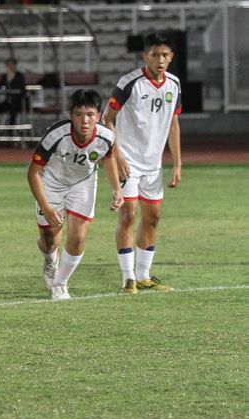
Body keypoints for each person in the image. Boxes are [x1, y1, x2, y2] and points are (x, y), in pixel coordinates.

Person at [103, 33, 182, 294]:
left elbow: (173, 123)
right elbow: (107, 119)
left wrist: (177, 164)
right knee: (129, 215)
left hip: (153, 165)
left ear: (171, 57)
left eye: (165, 55)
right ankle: (128, 279)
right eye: (155, 54)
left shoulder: (174, 84)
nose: (160, 60)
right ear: (145, 56)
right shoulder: (130, 83)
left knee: (153, 217)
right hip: (128, 162)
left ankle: (144, 275)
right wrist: (118, 156)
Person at [28, 89, 124, 300]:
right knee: (49, 237)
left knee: (78, 236)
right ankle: (51, 260)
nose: (85, 120)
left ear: (98, 116)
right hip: (52, 183)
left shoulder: (106, 137)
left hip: (83, 183)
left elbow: (108, 157)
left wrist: (117, 188)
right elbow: (33, 173)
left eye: (90, 115)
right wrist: (46, 207)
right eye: (79, 114)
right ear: (71, 115)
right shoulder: (55, 135)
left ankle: (61, 284)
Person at [0, 58, 26, 126]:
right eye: (8, 65)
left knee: (13, 109)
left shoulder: (20, 76)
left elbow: (21, 89)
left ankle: (11, 131)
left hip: (18, 102)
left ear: (15, 65)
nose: (10, 66)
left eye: (12, 64)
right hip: (7, 102)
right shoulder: (5, 76)